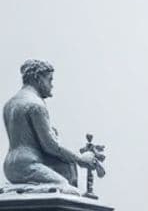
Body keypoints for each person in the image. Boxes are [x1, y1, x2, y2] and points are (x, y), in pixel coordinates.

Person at [3, 59, 98, 190]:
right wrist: (81, 159)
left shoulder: (10, 103)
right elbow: (50, 146)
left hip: (10, 167)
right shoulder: (36, 105)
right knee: (64, 188)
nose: (51, 85)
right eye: (50, 79)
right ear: (38, 78)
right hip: (29, 164)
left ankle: (15, 192)